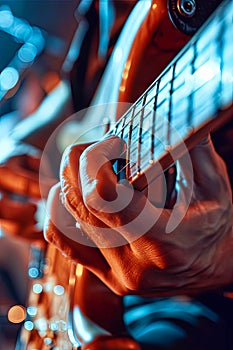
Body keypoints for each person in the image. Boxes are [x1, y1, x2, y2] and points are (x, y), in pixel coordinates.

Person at [1, 0, 233, 349]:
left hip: (202, 302)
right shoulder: (103, 11)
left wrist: (223, 260)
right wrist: (24, 148)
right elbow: (78, 97)